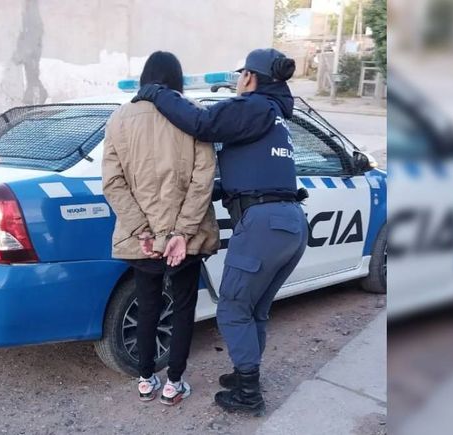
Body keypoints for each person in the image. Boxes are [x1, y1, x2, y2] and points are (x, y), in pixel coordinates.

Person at [132, 48, 309, 415]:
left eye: (241, 74)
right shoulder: (274, 115)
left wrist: (158, 93)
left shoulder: (254, 107)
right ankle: (247, 374)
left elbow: (202, 123)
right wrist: (203, 192)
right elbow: (251, 174)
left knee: (232, 307)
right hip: (289, 222)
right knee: (255, 309)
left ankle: (248, 393)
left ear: (250, 77)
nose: (239, 80)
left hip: (263, 224)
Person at [102, 51, 220, 405]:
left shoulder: (119, 119)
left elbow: (113, 183)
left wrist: (142, 230)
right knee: (183, 307)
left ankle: (144, 380)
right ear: (176, 80)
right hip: (187, 239)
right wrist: (181, 233)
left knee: (148, 305)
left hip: (143, 241)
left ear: (144, 78)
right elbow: (203, 179)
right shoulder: (193, 114)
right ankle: (174, 384)